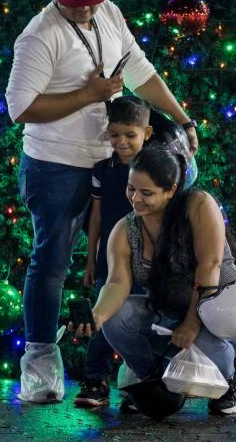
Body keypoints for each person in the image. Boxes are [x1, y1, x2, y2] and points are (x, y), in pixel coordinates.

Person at [5, 0, 199, 402]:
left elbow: (140, 71)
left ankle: (131, 361)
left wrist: (183, 120)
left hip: (114, 164)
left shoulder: (109, 13)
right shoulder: (39, 36)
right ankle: (40, 365)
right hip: (55, 166)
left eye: (93, 1)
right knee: (51, 261)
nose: (87, 11)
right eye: (77, 6)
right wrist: (87, 94)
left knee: (127, 263)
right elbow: (21, 109)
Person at [90, 146, 236, 416]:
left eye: (146, 193)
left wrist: (192, 322)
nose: (135, 199)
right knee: (115, 318)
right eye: (131, 189)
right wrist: (97, 315)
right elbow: (117, 283)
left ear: (171, 189)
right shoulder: (125, 230)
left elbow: (210, 265)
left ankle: (227, 381)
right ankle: (154, 379)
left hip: (227, 317)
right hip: (170, 317)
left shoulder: (198, 204)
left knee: (207, 345)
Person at [74, 96, 152, 409]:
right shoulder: (102, 170)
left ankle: (143, 383)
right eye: (114, 134)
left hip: (148, 260)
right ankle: (95, 378)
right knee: (104, 316)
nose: (121, 142)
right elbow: (95, 216)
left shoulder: (157, 167)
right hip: (109, 257)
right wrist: (90, 258)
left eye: (129, 135)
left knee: (144, 317)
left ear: (146, 133)